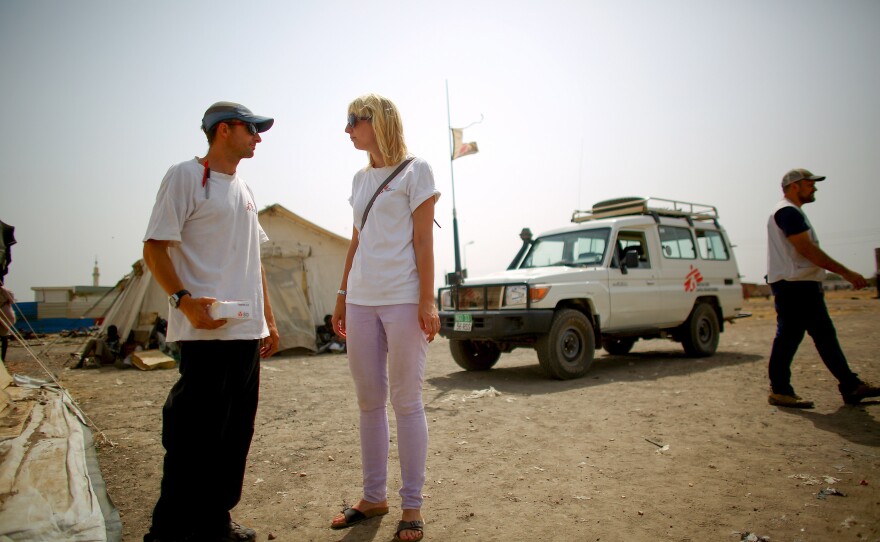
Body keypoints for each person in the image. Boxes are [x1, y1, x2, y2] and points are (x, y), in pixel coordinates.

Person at [141, 101, 280, 542]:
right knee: (192, 439)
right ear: (223, 130)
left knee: (235, 435)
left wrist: (269, 322)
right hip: (205, 333)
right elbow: (154, 248)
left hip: (245, 334)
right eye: (252, 129)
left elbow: (254, 261)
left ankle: (215, 522)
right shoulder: (184, 177)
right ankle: (166, 533)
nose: (258, 137)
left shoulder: (245, 189)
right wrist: (183, 301)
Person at [329, 94, 440, 542]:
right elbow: (355, 242)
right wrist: (341, 294)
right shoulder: (359, 180)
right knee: (368, 402)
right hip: (360, 300)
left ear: (379, 122)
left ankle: (411, 504)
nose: (347, 129)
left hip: (402, 298)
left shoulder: (418, 171)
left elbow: (422, 242)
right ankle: (373, 496)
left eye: (354, 120)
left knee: (406, 401)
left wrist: (427, 301)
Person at [766, 168, 880, 408]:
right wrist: (845, 272)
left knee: (799, 337)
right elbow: (805, 249)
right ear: (795, 186)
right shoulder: (788, 212)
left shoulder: (791, 212)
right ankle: (847, 386)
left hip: (797, 283)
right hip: (796, 285)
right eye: (810, 184)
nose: (814, 188)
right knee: (815, 336)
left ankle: (844, 386)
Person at [0, 286, 15, 362]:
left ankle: (2, 358)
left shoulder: (4, 291)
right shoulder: (6, 291)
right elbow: (12, 300)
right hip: (7, 315)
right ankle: (2, 358)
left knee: (4, 336)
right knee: (4, 337)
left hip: (4, 315)